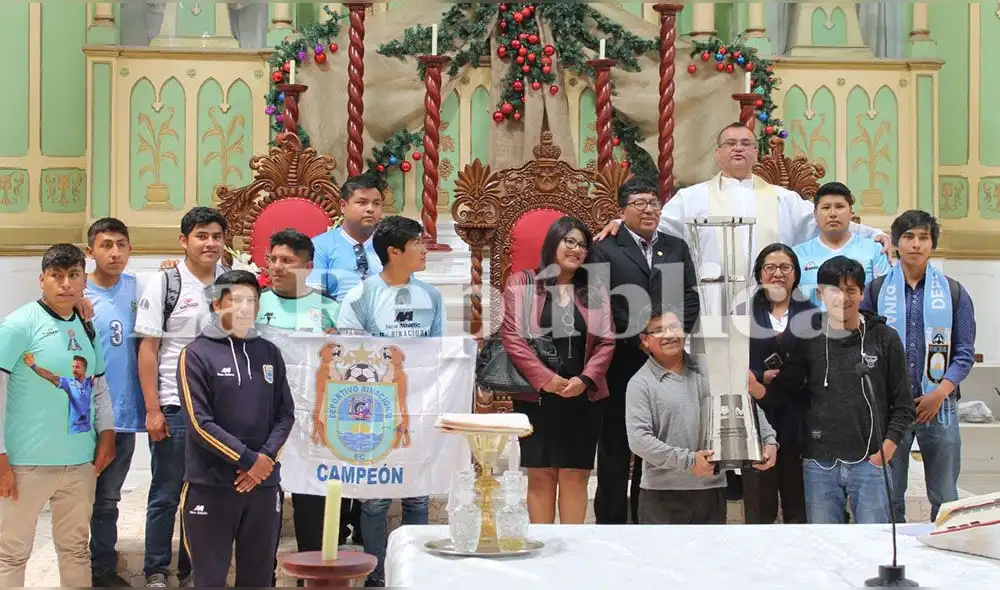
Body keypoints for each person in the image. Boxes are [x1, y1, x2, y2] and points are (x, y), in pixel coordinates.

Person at [597, 123, 890, 281]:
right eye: (730, 144)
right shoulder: (691, 197)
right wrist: (621, 223)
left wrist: (875, 234)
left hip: (771, 300)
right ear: (719, 153)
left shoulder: (784, 199)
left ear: (756, 153)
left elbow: (830, 223)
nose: (738, 148)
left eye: (746, 143)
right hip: (710, 304)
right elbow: (657, 227)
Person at [749, 256, 915, 524]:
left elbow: (904, 405)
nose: (843, 298)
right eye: (834, 290)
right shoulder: (807, 337)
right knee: (825, 549)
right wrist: (754, 386)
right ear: (820, 294)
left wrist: (886, 449)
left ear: (862, 293)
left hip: (870, 463)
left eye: (851, 289)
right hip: (819, 466)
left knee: (874, 547)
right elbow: (784, 392)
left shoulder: (884, 338)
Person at [336, 216, 443, 588]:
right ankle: (377, 576)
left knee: (417, 495)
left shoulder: (431, 296)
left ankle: (417, 574)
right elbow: (348, 357)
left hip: (418, 408)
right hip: (373, 413)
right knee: (376, 501)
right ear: (394, 252)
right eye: (418, 243)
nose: (425, 249)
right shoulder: (361, 296)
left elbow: (438, 353)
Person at [0, 244, 115, 587]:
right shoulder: (19, 324)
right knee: (10, 552)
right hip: (26, 462)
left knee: (76, 550)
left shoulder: (87, 325)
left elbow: (99, 387)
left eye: (74, 276)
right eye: (57, 276)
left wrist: (106, 433)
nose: (65, 284)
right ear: (42, 280)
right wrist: (1, 455)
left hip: (80, 461)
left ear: (83, 281)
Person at [589, 178, 700, 524]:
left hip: (668, 360)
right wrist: (643, 335)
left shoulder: (676, 246)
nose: (649, 209)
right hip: (622, 358)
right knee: (616, 444)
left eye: (654, 202)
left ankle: (644, 517)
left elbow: (691, 297)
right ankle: (610, 521)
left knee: (657, 437)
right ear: (622, 210)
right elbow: (599, 301)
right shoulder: (605, 248)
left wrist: (670, 335)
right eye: (639, 203)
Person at [179, 270, 294, 587]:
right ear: (217, 304)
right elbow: (200, 423)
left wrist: (263, 462)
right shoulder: (196, 354)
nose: (245, 308)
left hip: (262, 487)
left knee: (258, 579)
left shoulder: (269, 352)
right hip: (211, 485)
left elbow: (286, 414)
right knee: (209, 579)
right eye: (237, 300)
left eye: (252, 301)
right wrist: (248, 460)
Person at [861, 210, 976, 523]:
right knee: (888, 493)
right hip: (888, 408)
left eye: (923, 237)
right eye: (908, 237)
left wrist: (939, 393)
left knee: (945, 495)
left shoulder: (953, 292)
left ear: (932, 244)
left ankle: (947, 556)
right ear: (896, 242)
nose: (916, 244)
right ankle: (891, 558)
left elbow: (964, 353)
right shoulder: (875, 291)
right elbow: (864, 346)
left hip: (939, 406)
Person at [135, 206, 227, 587]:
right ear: (183, 241)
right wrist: (153, 409)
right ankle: (157, 567)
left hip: (221, 410)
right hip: (175, 405)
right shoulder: (165, 283)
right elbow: (148, 350)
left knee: (207, 492)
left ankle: (193, 568)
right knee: (166, 492)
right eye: (201, 236)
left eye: (217, 236)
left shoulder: (232, 282)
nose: (210, 243)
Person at [501, 216, 615, 525]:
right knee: (540, 476)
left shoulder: (594, 289)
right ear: (554, 242)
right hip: (537, 397)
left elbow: (606, 341)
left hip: (583, 397)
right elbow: (512, 336)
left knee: (576, 478)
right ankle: (542, 548)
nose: (577, 250)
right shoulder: (522, 283)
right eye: (570, 242)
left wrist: (585, 379)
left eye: (583, 245)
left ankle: (572, 552)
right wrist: (545, 379)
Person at [626, 306, 777, 525]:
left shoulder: (711, 369)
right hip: (662, 495)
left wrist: (769, 440)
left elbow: (743, 403)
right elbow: (639, 441)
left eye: (674, 327)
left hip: (712, 491)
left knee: (710, 559)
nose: (669, 335)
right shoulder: (640, 384)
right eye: (659, 330)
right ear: (645, 340)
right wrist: (689, 461)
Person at [255, 229, 343, 571]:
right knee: (265, 497)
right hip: (263, 419)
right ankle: (262, 573)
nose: (276, 267)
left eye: (287, 261)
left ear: (306, 266)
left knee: (313, 498)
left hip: (313, 420)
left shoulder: (329, 309)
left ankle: (315, 573)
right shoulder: (253, 304)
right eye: (272, 259)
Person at [84, 218, 146, 586]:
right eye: (106, 245)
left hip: (124, 414)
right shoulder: (78, 295)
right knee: (79, 496)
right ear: (90, 250)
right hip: (81, 416)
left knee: (108, 499)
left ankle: (102, 568)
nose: (115, 252)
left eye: (121, 244)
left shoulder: (140, 289)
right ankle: (76, 562)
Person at [742, 244, 816, 524]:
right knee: (759, 504)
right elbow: (735, 360)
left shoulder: (811, 313)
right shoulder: (743, 312)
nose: (777, 274)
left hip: (799, 415)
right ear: (759, 274)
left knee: (798, 501)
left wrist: (768, 382)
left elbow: (809, 367)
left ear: (795, 274)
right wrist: (760, 378)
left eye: (785, 267)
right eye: (770, 267)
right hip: (756, 415)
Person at [793, 182, 890, 309]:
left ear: (850, 213)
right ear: (815, 214)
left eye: (839, 207)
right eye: (826, 208)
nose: (833, 213)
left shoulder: (875, 251)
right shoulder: (797, 255)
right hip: (811, 326)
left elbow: (887, 299)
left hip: (864, 326)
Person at [308, 173, 385, 301]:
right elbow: (314, 300)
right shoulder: (319, 246)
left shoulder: (391, 245)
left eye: (376, 203)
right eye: (362, 202)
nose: (370, 209)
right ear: (343, 206)